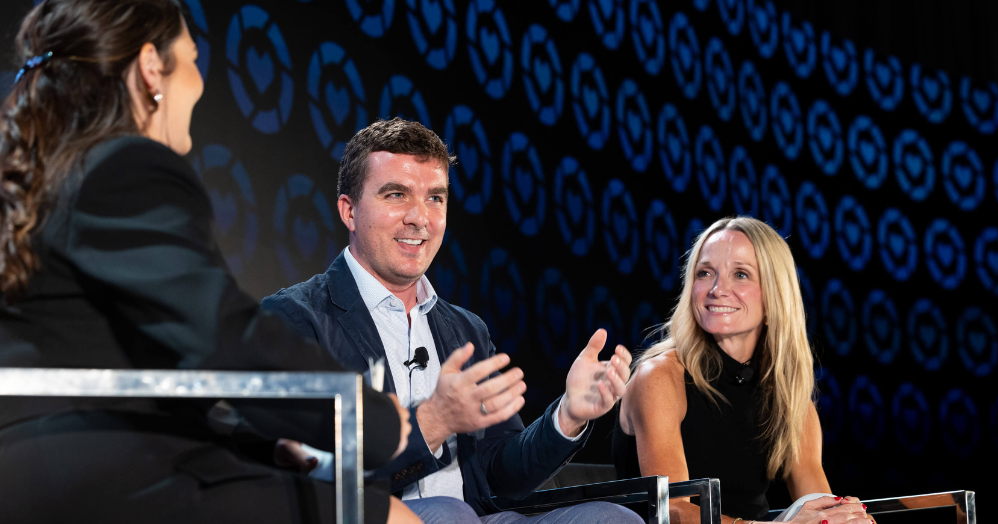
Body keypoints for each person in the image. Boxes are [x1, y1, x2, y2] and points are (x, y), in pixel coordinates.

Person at [0, 1, 416, 523]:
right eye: (192, 59)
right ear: (152, 67)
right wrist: (367, 418)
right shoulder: (125, 167)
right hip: (108, 475)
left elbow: (131, 365)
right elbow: (220, 336)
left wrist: (261, 448)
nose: (199, 81)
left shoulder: (38, 184)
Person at [261, 117, 643, 524]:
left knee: (613, 519)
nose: (419, 218)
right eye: (396, 195)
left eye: (435, 198)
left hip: (474, 518)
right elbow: (306, 471)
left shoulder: (465, 330)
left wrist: (568, 414)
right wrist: (432, 423)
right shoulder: (296, 319)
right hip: (373, 516)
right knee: (448, 513)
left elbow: (502, 475)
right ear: (349, 211)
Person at [613, 217, 872, 524]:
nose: (717, 289)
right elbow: (673, 511)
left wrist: (845, 515)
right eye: (705, 273)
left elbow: (817, 503)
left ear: (774, 295)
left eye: (740, 274)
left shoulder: (789, 395)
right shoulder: (658, 377)